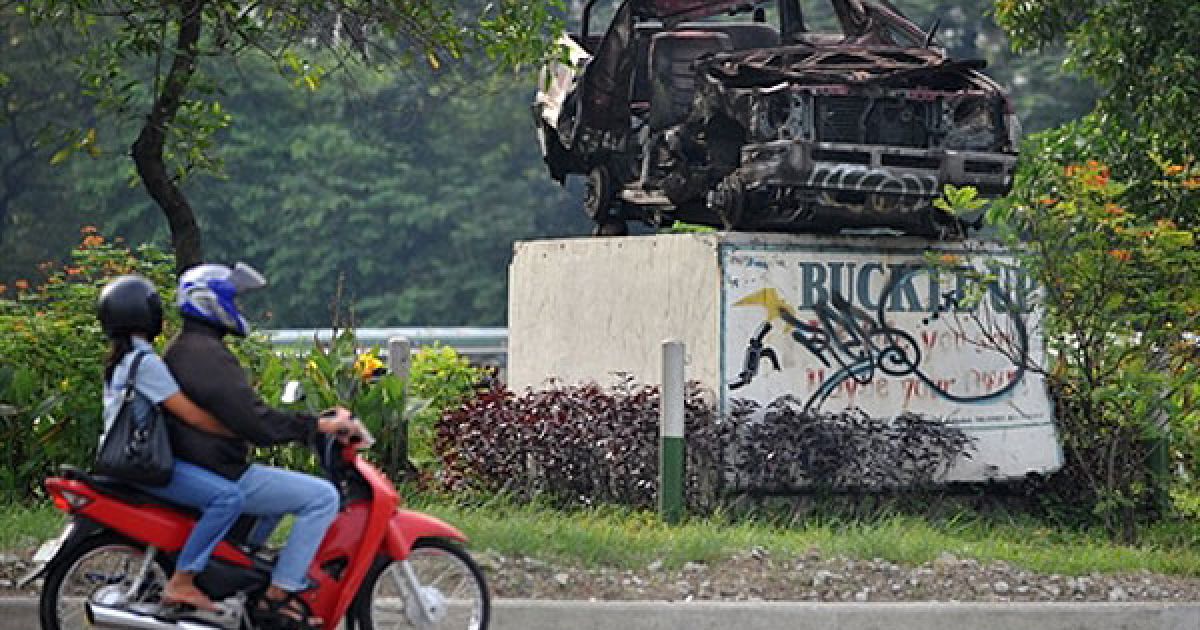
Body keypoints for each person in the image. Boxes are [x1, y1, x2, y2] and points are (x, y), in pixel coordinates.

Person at [163, 262, 354, 629]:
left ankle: (240, 572)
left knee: (278, 496)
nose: (239, 308)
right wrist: (315, 426)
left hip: (205, 462)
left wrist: (306, 424)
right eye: (233, 300)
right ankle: (279, 595)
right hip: (217, 470)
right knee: (321, 497)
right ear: (211, 302)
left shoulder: (190, 349)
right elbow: (254, 422)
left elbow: (247, 417)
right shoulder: (206, 356)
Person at [97, 275, 242, 617]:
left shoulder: (120, 361)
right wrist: (236, 429)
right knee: (228, 498)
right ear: (149, 317)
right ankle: (183, 580)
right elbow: (191, 416)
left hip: (118, 462)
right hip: (141, 465)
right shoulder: (145, 363)